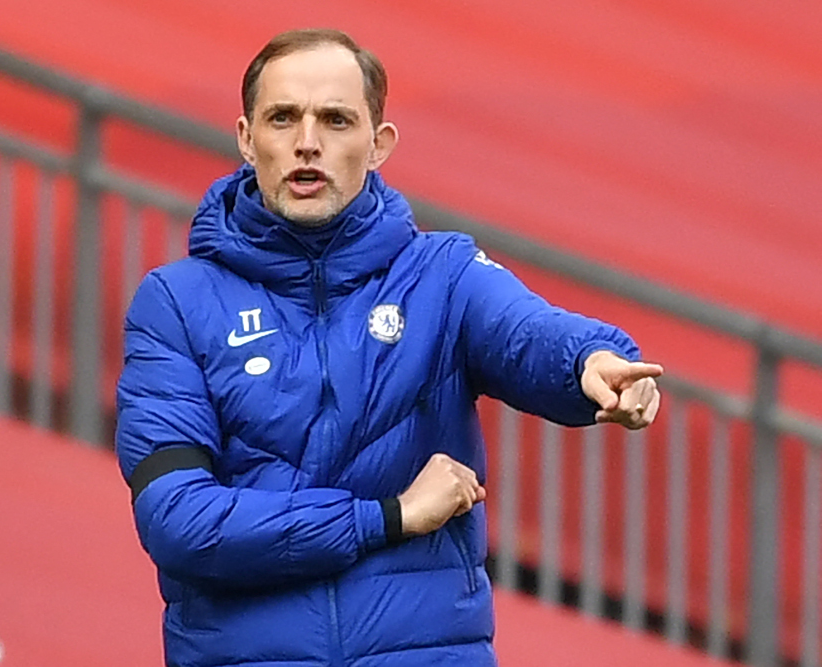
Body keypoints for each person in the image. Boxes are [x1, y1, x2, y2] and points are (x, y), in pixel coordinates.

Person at [116, 28, 662, 667]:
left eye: (337, 120)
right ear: (245, 138)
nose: (308, 142)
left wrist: (591, 362)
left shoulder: (443, 274)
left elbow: (528, 334)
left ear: (379, 145)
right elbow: (180, 523)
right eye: (283, 117)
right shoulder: (175, 302)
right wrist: (389, 517)